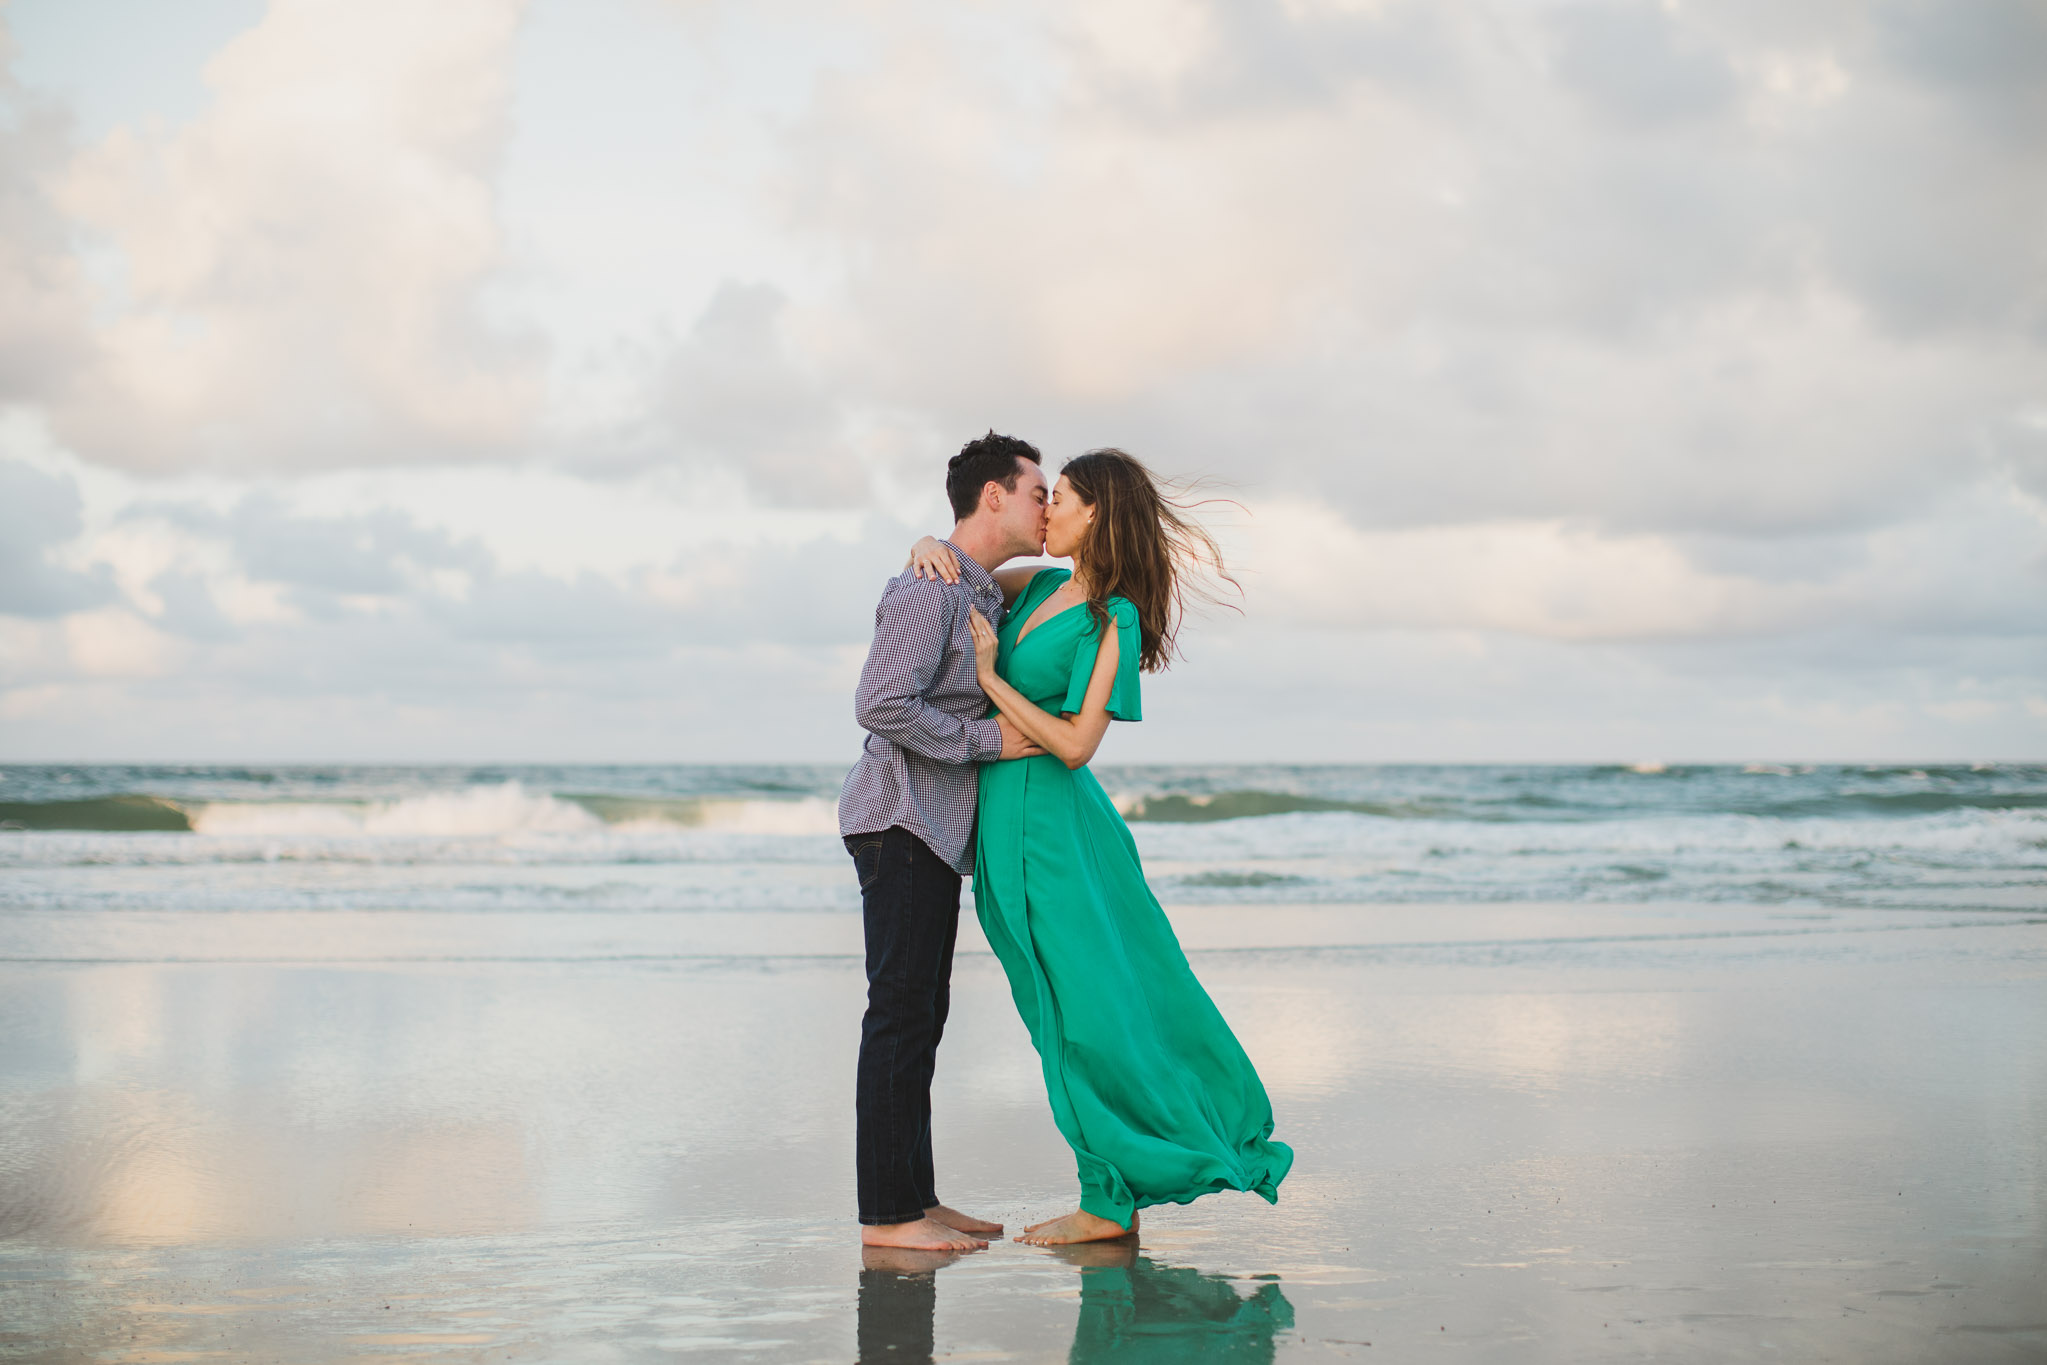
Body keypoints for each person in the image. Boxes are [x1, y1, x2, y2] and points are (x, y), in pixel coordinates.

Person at [909, 448, 1293, 1246]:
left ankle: (1108, 1198)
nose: (1045, 512)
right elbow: (961, 572)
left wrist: (991, 677)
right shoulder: (1041, 586)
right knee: (1050, 1014)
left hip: (1060, 837)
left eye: (1063, 499)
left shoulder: (1110, 616)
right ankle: (1108, 1189)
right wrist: (924, 544)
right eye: (1042, 498)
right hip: (1003, 835)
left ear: (1097, 515)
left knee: (1091, 1013)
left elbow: (1078, 742)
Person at [839, 430, 1051, 1251]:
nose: (1047, 507)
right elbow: (880, 703)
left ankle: (915, 1198)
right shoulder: (926, 591)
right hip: (897, 819)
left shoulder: (975, 586)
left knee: (923, 1014)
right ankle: (887, 1216)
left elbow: (1067, 569)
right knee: (897, 1015)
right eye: (1038, 492)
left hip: (930, 828)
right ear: (993, 494)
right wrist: (987, 742)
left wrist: (929, 539)